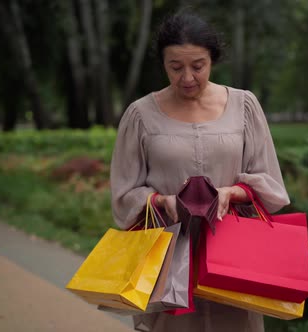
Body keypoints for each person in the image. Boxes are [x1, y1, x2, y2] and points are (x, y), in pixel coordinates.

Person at [110, 11, 290, 332]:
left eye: (198, 66)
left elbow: (268, 179)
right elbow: (125, 192)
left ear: (213, 60)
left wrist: (232, 192)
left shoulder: (244, 106)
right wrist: (162, 201)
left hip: (235, 253)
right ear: (163, 64)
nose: (187, 78)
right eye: (175, 68)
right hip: (167, 257)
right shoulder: (140, 115)